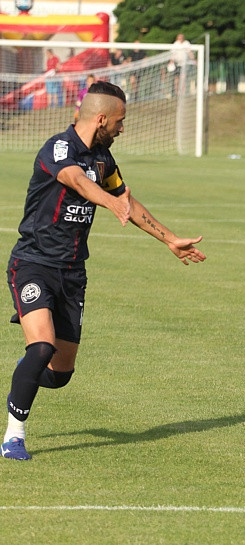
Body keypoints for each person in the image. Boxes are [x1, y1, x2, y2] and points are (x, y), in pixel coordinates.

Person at [3, 81, 206, 461]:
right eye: (119, 121)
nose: (121, 128)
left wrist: (169, 239)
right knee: (42, 346)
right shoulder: (58, 148)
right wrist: (111, 204)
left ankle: (26, 371)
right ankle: (13, 436)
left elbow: (127, 199)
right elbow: (75, 181)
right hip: (33, 264)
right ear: (101, 119)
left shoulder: (103, 160)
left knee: (60, 374)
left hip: (72, 273)